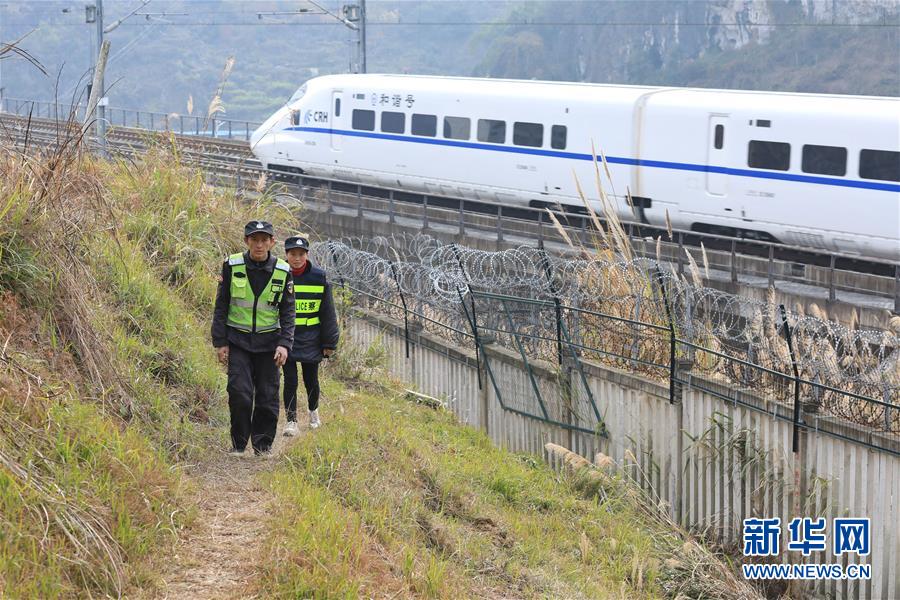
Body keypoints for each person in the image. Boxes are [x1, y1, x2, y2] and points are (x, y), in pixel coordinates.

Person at [211, 220, 295, 456]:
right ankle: (238, 445)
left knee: (268, 398)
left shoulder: (283, 270)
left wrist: (284, 344)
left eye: (264, 240)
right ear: (246, 241)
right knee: (239, 393)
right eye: (254, 239)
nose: (259, 245)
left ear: (271, 242)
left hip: (270, 345)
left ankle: (263, 446)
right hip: (238, 342)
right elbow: (222, 306)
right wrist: (220, 342)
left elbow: (288, 312)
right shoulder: (232, 265)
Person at [281, 235, 339, 435]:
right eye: (292, 254)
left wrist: (329, 342)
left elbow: (328, 312)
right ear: (286, 255)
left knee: (311, 379)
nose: (297, 258)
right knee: (290, 380)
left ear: (307, 255)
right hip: (286, 338)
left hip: (311, 339)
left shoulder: (319, 277)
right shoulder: (279, 274)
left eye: (301, 254)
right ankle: (291, 421)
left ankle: (313, 411)